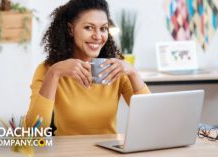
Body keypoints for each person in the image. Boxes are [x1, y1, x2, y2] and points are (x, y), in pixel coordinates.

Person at [26, 0, 150, 136]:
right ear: (70, 29)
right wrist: (54, 73)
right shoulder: (48, 70)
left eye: (103, 28)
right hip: (67, 152)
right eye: (89, 28)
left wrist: (133, 72)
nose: (98, 36)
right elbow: (34, 131)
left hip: (109, 151)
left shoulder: (115, 69)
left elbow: (150, 118)